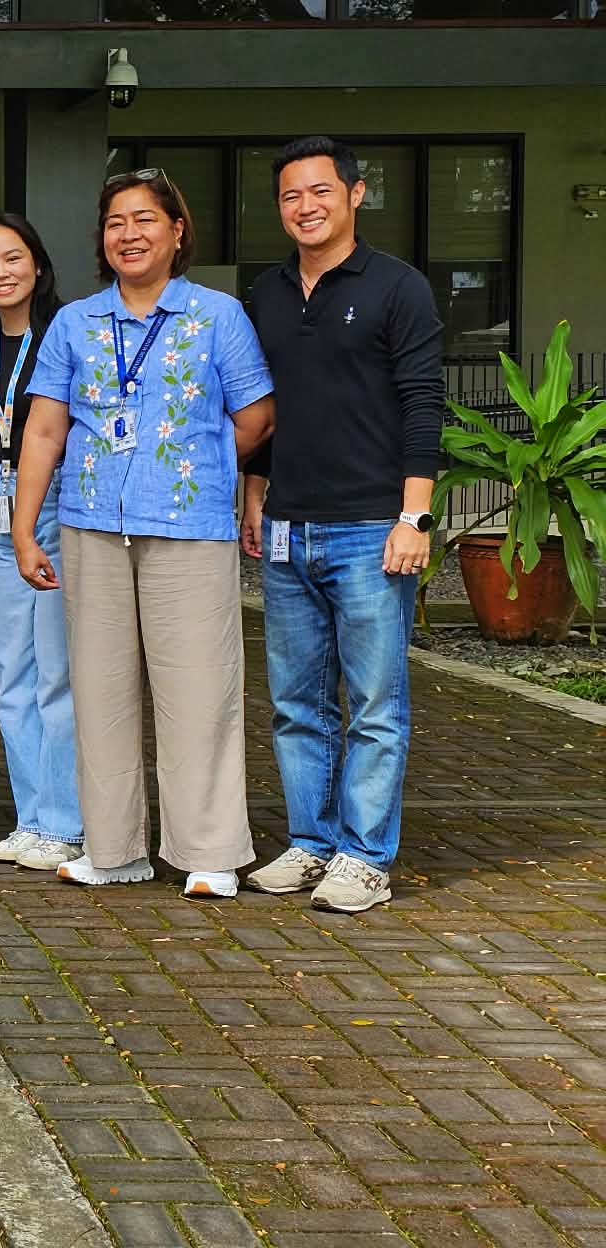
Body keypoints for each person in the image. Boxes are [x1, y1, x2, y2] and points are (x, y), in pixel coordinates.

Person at [14, 168, 275, 898]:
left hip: (189, 527)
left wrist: (199, 461)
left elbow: (256, 415)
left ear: (177, 230)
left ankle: (209, 852)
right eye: (115, 222)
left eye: (145, 220)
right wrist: (24, 526)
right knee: (99, 692)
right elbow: (43, 429)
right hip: (90, 525)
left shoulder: (217, 316)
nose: (129, 234)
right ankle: (116, 848)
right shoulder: (75, 323)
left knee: (199, 688)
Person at [241, 136, 444, 914]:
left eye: (321, 191)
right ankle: (311, 841)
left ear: (355, 195)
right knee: (297, 702)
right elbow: (265, 409)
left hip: (370, 528)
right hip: (289, 525)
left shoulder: (398, 287)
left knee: (375, 703)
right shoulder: (266, 292)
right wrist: (256, 492)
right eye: (291, 195)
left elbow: (424, 402)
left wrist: (414, 515)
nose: (306, 207)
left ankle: (365, 857)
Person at [0, 212, 82, 873]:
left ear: (37, 264)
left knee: (57, 675)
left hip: (56, 504)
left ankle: (67, 822)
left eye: (11, 259)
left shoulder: (68, 331)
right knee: (12, 676)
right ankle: (32, 818)